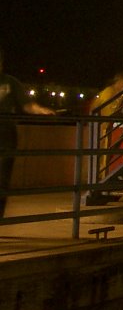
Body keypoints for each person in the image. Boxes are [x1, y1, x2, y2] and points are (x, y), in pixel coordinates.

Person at [1, 49, 57, 217]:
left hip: (5, 139)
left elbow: (27, 105)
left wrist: (42, 110)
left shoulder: (10, 82)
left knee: (2, 181)